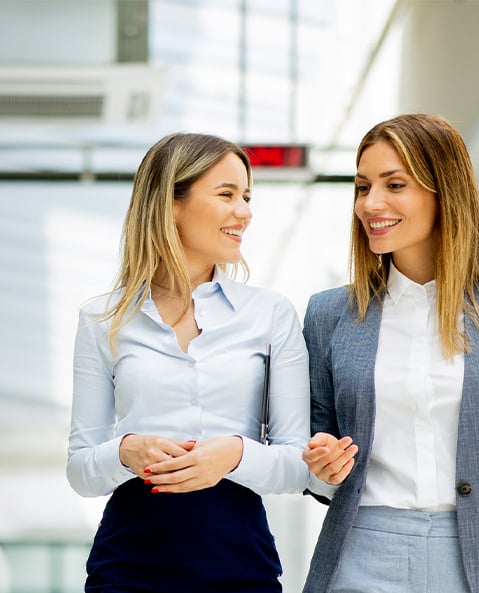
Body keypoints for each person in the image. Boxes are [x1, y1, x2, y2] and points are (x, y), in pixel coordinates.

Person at [299, 113, 479, 593]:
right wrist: (321, 466)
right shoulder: (330, 315)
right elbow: (318, 457)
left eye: (394, 184)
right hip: (362, 552)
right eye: (363, 187)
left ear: (443, 190)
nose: (371, 203)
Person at [66, 132, 311, 592]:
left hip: (239, 562)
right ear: (171, 203)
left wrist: (235, 453)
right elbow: (80, 470)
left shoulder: (270, 315)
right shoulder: (102, 319)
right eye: (226, 195)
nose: (245, 211)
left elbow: (298, 465)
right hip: (128, 565)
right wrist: (126, 450)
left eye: (246, 197)